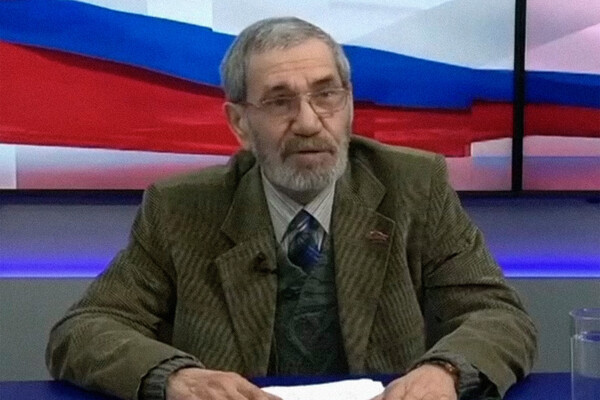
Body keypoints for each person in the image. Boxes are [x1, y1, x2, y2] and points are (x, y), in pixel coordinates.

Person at [46, 17, 537, 400]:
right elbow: (82, 332)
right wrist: (176, 378)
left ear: (349, 104)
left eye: (326, 95)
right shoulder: (181, 209)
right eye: (280, 102)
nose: (308, 122)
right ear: (239, 123)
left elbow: (499, 316)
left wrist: (445, 370)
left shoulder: (414, 186)